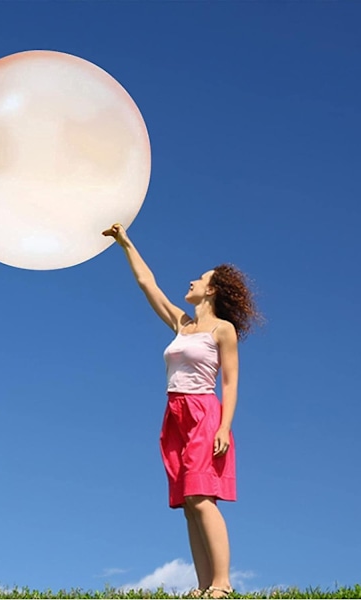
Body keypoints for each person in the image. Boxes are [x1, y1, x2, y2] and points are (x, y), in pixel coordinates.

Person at [102, 223, 262, 599]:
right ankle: (204, 585)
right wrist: (125, 244)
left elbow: (230, 383)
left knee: (203, 497)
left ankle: (222, 583)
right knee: (189, 503)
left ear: (212, 290)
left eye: (200, 278)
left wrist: (224, 427)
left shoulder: (223, 330)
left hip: (204, 413)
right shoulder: (182, 323)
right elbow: (148, 284)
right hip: (173, 414)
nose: (191, 281)